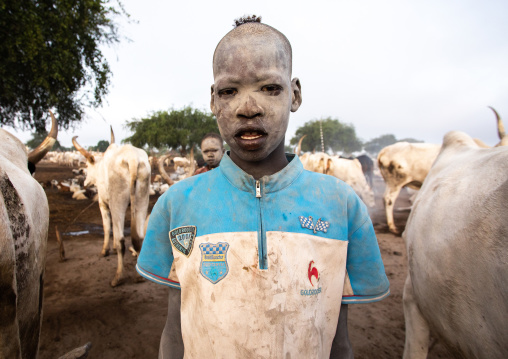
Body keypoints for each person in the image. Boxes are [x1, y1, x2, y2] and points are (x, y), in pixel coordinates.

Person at [136, 15, 389, 358]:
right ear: (214, 101)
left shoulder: (341, 205)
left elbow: (339, 340)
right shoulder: (176, 204)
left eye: (269, 88)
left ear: (294, 94)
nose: (248, 108)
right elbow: (174, 332)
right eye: (229, 91)